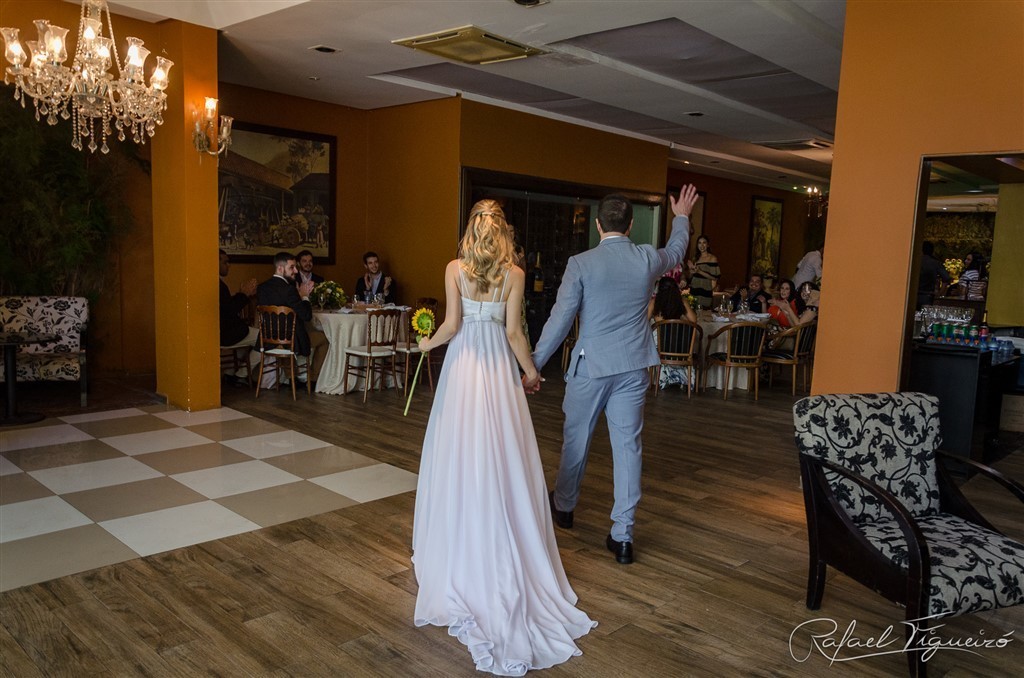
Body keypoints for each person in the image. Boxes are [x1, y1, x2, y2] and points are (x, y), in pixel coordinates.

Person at [412, 200, 596, 675]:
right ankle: (505, 531)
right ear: (504, 232)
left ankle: (459, 541)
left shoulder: (455, 267)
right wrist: (531, 372)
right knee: (504, 455)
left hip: (463, 368)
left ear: (471, 228)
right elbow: (514, 333)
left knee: (460, 452)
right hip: (495, 368)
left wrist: (424, 345)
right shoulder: (513, 273)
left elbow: (452, 326)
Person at [528, 185, 699, 565]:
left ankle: (566, 507)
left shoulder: (581, 263)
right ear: (632, 224)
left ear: (597, 224)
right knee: (628, 449)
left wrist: (534, 365)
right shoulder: (644, 258)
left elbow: (559, 321)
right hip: (634, 367)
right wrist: (682, 216)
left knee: (576, 440)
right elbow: (675, 251)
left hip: (592, 367)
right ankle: (623, 535)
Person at [256, 251, 328, 385]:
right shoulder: (289, 289)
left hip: (268, 339)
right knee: (324, 339)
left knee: (283, 336)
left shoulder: (262, 287)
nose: (295, 270)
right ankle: (313, 378)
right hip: (290, 341)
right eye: (291, 267)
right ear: (280, 268)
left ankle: (292, 377)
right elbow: (306, 316)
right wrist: (304, 296)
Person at [648, 276, 697, 390]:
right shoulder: (681, 301)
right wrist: (681, 321)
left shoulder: (655, 303)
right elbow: (694, 320)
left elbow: (644, 320)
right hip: (680, 345)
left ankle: (660, 379)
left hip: (661, 346)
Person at [219, 250, 259, 347]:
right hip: (225, 335)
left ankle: (246, 360)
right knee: (263, 337)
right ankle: (249, 362)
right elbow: (229, 310)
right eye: (225, 262)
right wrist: (244, 294)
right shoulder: (218, 285)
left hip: (223, 332)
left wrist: (244, 294)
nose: (229, 265)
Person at [685, 235, 719, 309]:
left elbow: (715, 277)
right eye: (699, 243)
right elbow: (690, 278)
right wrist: (691, 271)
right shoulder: (695, 258)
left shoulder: (712, 258)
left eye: (704, 243)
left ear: (708, 245)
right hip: (694, 290)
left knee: (704, 313)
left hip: (705, 290)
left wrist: (699, 271)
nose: (702, 245)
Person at [917, 241, 950, 308]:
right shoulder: (935, 263)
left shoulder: (915, 261)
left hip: (912, 294)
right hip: (928, 295)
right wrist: (939, 293)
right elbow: (946, 278)